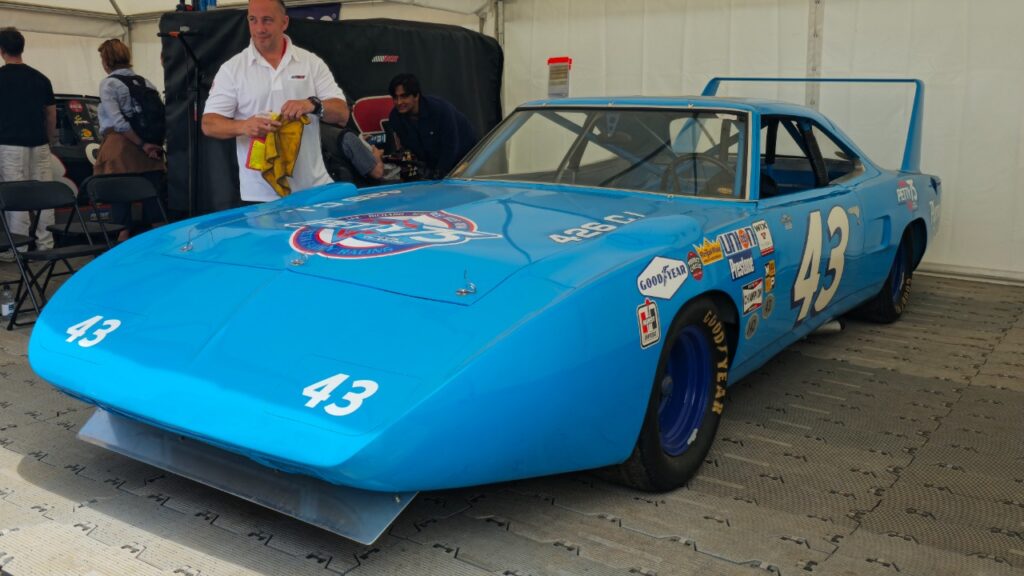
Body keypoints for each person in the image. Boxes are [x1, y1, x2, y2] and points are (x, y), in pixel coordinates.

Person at [202, 0, 349, 203]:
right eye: (253, 20)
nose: (260, 28)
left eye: (267, 20)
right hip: (259, 195)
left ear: (284, 22)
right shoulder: (232, 69)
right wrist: (244, 126)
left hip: (313, 189)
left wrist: (312, 104)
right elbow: (209, 124)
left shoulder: (311, 63)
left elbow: (342, 113)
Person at [95, 38, 165, 242]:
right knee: (154, 205)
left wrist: (140, 144)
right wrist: (149, 144)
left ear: (107, 60)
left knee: (120, 208)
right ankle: (161, 251)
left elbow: (118, 122)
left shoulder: (109, 84)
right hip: (150, 150)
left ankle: (122, 257)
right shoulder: (145, 82)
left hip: (121, 149)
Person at [0, 27, 56, 251]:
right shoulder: (41, 78)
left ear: (2, 50)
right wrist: (48, 140)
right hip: (40, 144)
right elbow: (51, 113)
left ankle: (19, 249)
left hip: (9, 145)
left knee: (17, 198)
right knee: (44, 195)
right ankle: (47, 244)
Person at [386, 73, 478, 180]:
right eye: (395, 97)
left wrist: (439, 175)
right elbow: (407, 150)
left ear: (416, 96)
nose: (399, 102)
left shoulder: (440, 110)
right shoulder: (395, 118)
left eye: (404, 96)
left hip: (465, 160)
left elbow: (451, 147)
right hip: (432, 166)